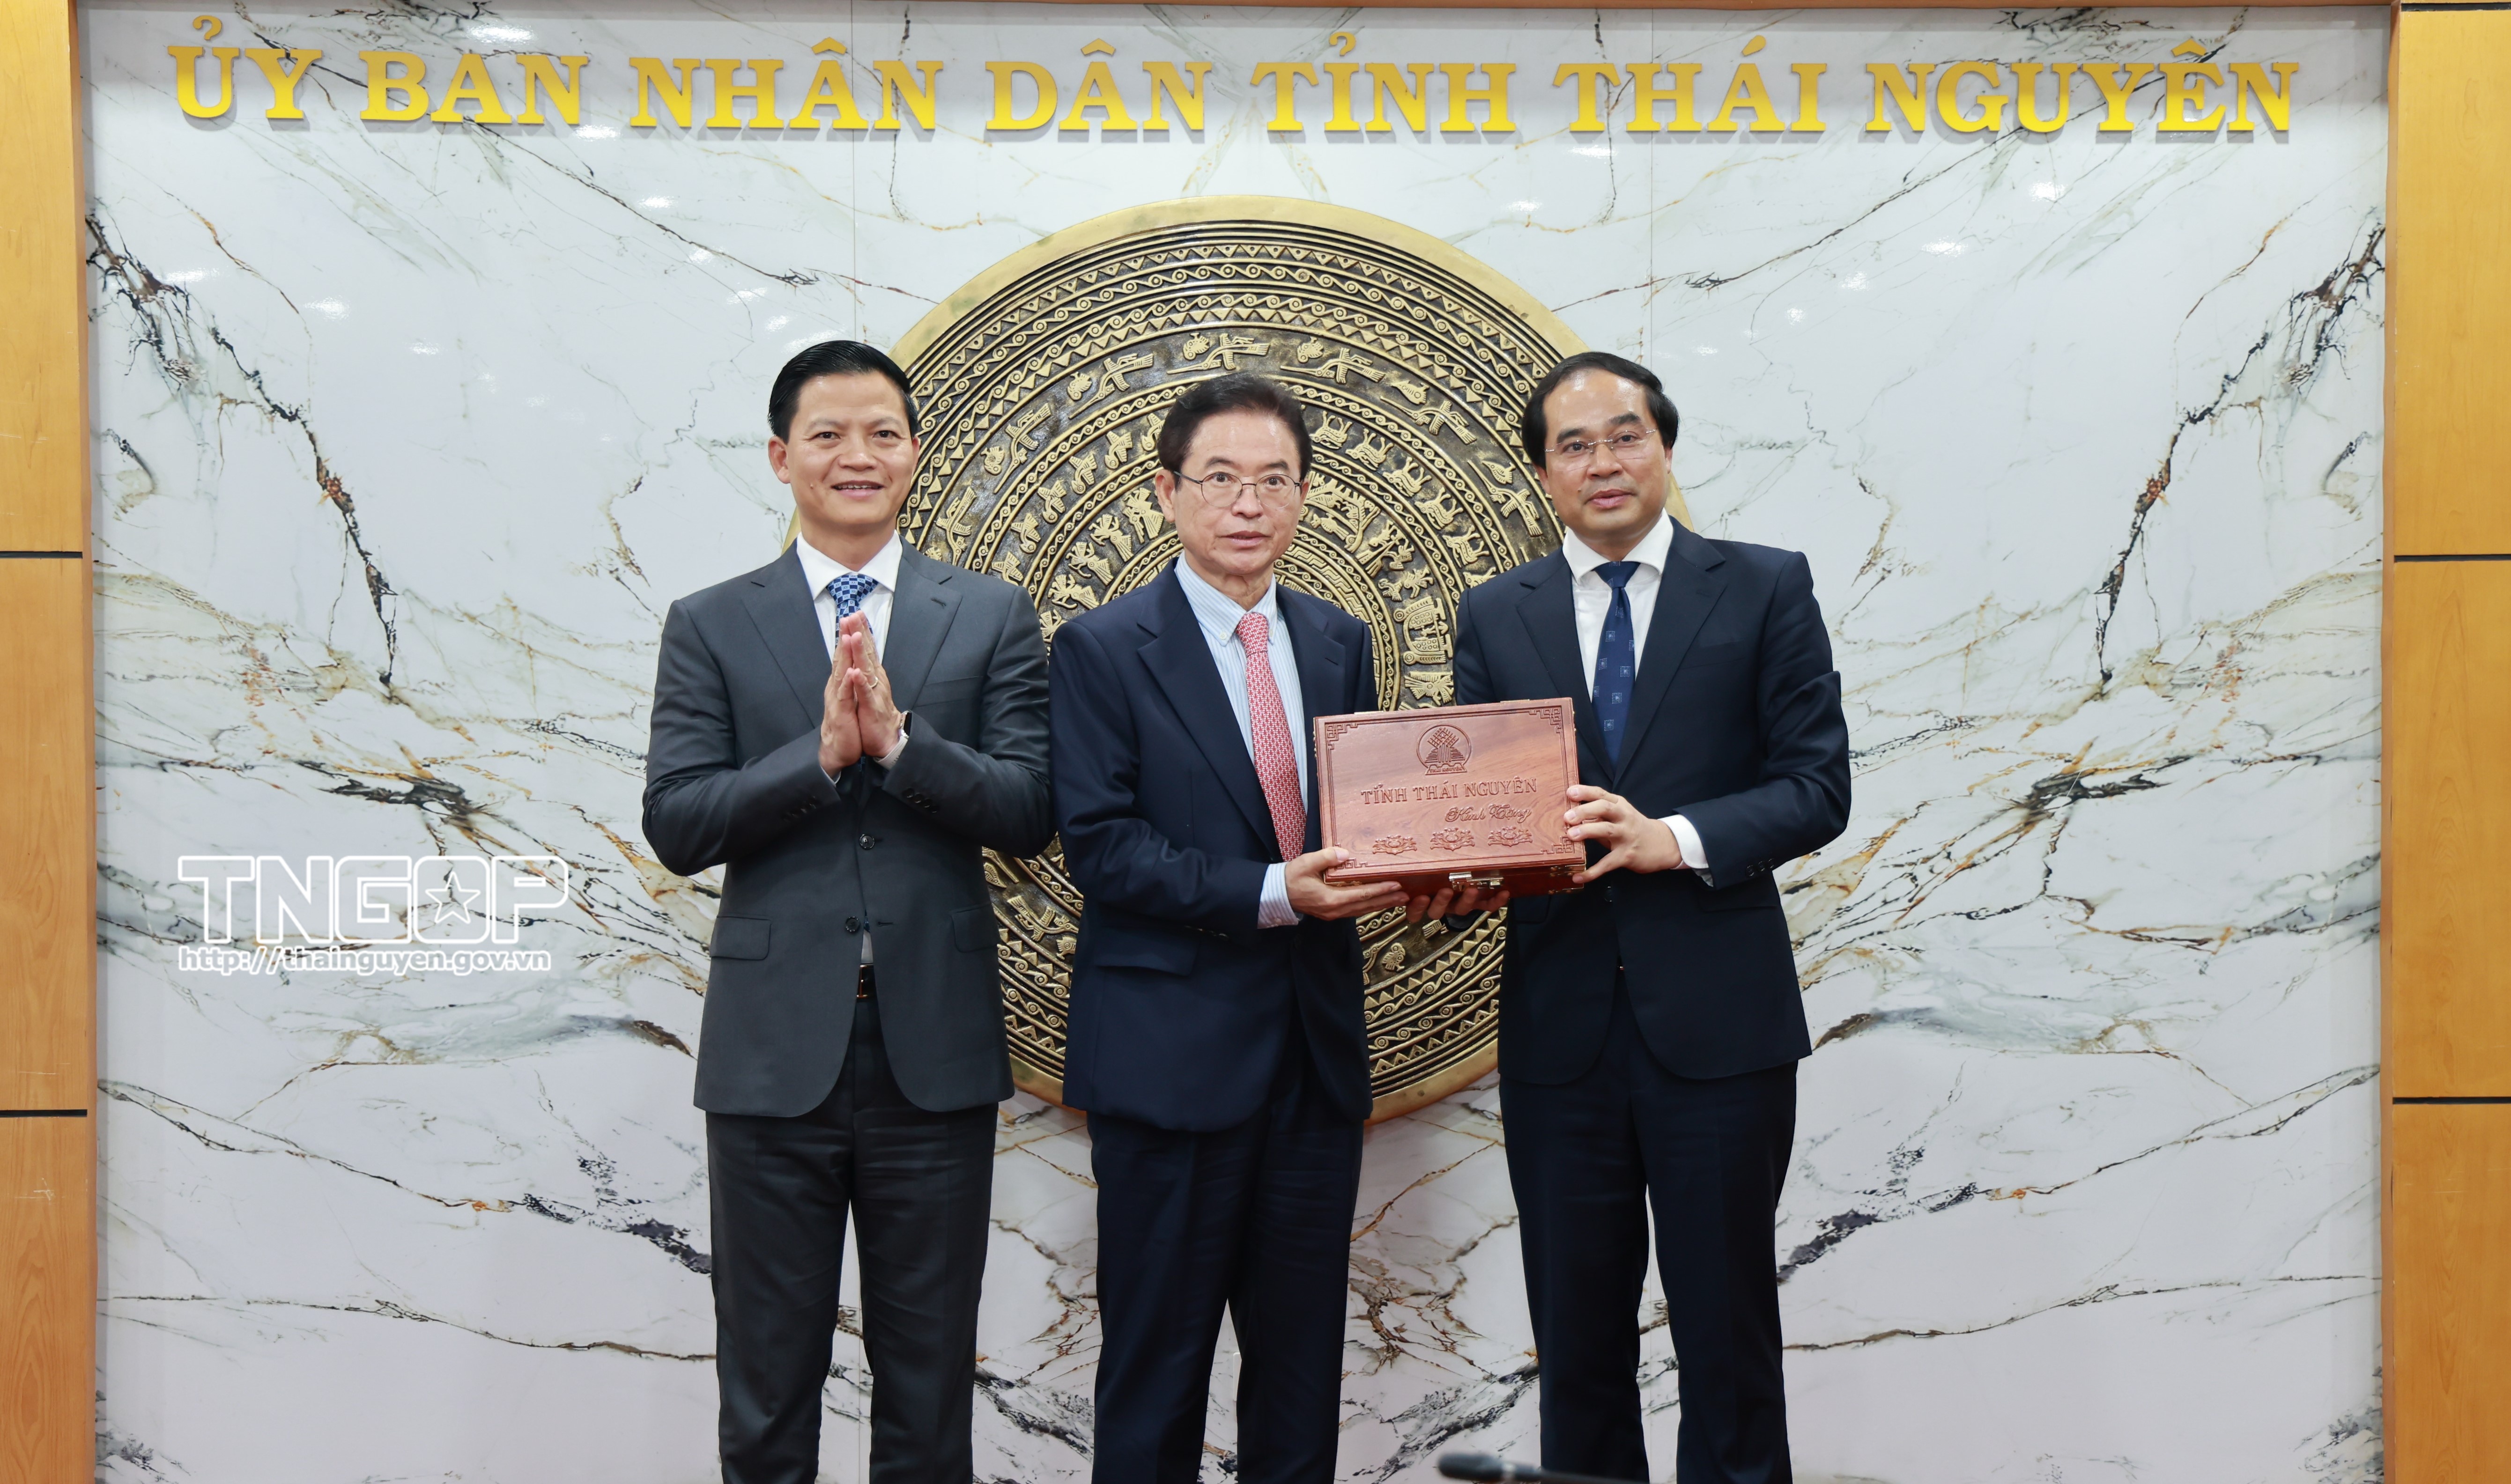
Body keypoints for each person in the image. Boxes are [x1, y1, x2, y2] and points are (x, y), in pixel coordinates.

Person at [642, 340, 1053, 1484]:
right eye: (827, 435)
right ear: (783, 457)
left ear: (914, 453)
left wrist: (905, 749)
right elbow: (677, 821)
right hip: (773, 1055)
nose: (856, 455)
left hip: (935, 1050)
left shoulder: (990, 615)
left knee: (928, 1389)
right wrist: (817, 758)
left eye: (881, 433)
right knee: (767, 1388)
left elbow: (1029, 809)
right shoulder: (711, 622)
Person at [1451, 351, 1851, 1484]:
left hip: (1718, 1028)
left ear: (1664, 447)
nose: (1603, 462)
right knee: (1576, 1347)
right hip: (1558, 1033)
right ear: (1542, 474)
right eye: (1572, 446)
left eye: (1624, 435)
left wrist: (1669, 837)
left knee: (1726, 1337)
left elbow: (1816, 786)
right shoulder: (1496, 612)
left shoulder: (1763, 586)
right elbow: (1477, 804)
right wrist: (1456, 866)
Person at [1049, 372, 1412, 1484]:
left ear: (1303, 495)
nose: (1247, 502)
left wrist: (1431, 864)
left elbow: (1360, 821)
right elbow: (1101, 846)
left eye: (1273, 479)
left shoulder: (1339, 639)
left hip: (1311, 1062)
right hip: (1170, 1067)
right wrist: (1273, 890)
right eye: (1218, 478)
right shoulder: (1101, 647)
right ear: (1167, 492)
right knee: (1155, 1379)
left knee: (1299, 1382)